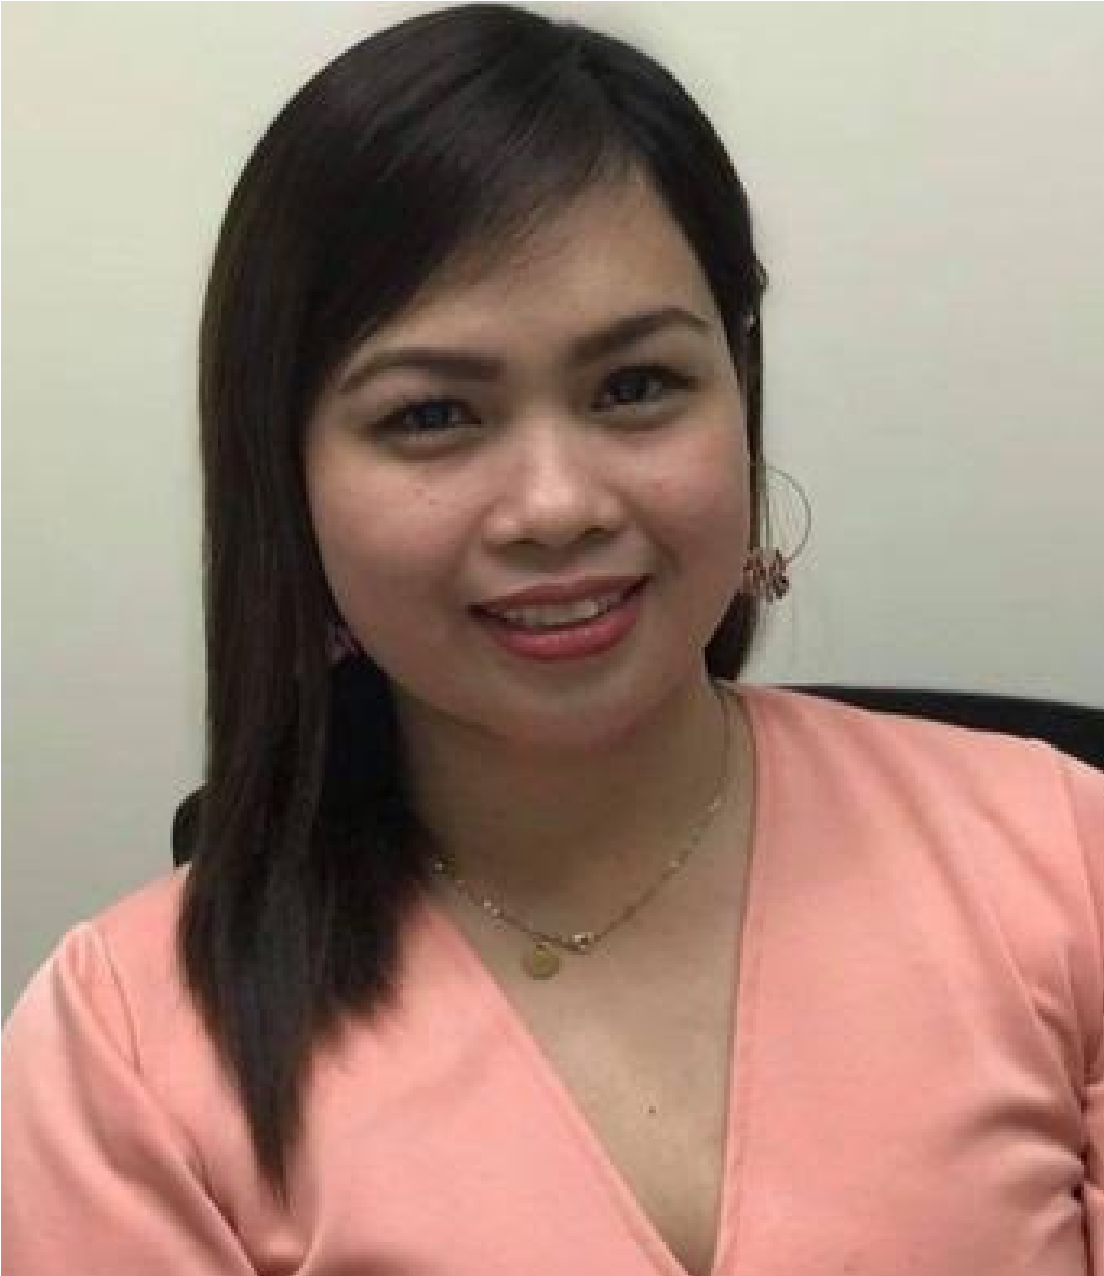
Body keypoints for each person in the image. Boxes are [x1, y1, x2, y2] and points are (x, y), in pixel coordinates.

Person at [3, 5, 1101, 1274]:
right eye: (431, 415)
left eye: (635, 387)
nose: (558, 505)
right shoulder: (125, 1048)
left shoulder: (1064, 861)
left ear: (740, 391)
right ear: (285, 473)